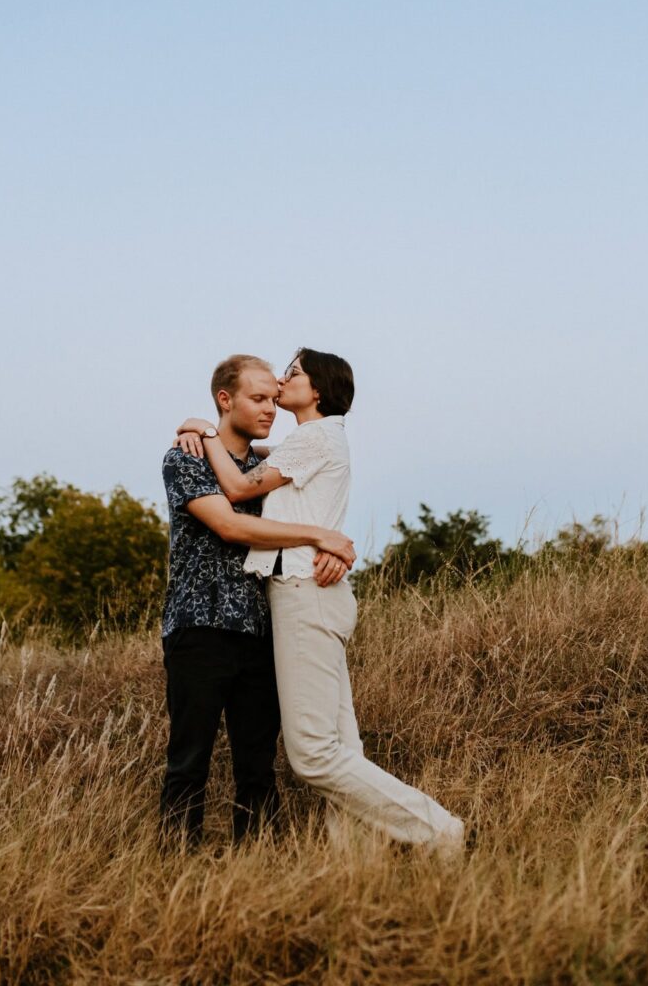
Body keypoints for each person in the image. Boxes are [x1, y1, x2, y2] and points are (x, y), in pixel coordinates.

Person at [176, 348, 465, 856]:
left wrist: (202, 434)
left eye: (292, 375)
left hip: (304, 594)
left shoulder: (314, 437)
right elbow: (259, 464)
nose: (282, 383)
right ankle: (354, 867)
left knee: (312, 754)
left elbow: (241, 487)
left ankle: (437, 830)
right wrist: (198, 424)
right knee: (341, 746)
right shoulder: (313, 441)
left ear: (318, 390)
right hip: (315, 594)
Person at [160, 353, 355, 849]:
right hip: (199, 625)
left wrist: (329, 543)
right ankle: (174, 869)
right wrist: (320, 536)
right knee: (190, 759)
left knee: (257, 764)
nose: (269, 407)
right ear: (226, 400)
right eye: (258, 398)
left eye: (274, 397)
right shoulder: (185, 457)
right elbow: (229, 524)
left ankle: (258, 868)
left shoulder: (266, 464)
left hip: (261, 626)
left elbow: (312, 491)